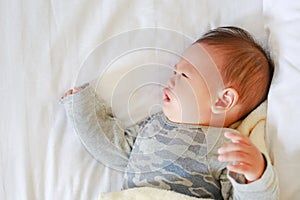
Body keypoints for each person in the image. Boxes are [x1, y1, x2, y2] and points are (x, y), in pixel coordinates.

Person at [60, 26, 278, 199]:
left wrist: (256, 177)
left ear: (223, 99)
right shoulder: (152, 126)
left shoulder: (226, 147)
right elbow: (110, 147)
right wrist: (82, 105)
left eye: (184, 75)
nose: (171, 78)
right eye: (174, 70)